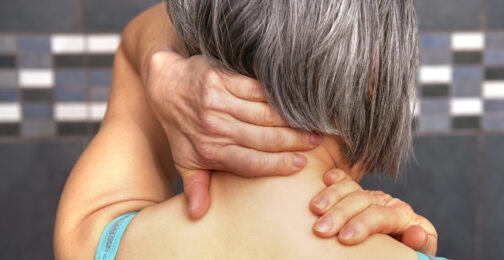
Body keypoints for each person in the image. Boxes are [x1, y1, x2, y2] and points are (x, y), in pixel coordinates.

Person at [54, 0, 445, 259]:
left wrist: (163, 65)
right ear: (373, 72)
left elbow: (133, 43)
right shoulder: (409, 247)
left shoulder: (96, 239)